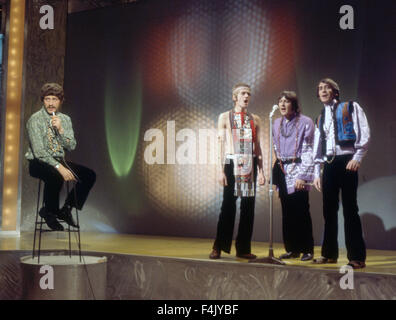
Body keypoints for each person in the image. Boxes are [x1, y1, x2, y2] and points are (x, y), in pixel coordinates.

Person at [312, 78, 370, 269]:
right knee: (328, 210)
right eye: (320, 88)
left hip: (347, 161)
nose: (322, 91)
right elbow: (317, 146)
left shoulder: (350, 107)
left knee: (350, 209)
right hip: (329, 163)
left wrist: (358, 157)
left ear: (335, 91)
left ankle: (357, 257)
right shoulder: (320, 116)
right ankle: (329, 254)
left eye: (326, 88)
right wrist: (316, 172)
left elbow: (363, 131)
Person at [25, 83, 96, 231]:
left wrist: (61, 130)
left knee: (89, 175)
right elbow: (39, 152)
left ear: (60, 101)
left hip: (59, 160)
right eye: (47, 99)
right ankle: (49, 211)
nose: (51, 103)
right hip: (38, 162)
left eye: (54, 99)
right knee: (56, 175)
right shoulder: (35, 120)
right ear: (43, 100)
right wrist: (60, 168)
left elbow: (71, 146)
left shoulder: (65, 119)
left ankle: (67, 209)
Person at [209, 83, 265, 260]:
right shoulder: (224, 117)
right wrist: (220, 170)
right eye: (242, 93)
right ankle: (219, 246)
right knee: (228, 206)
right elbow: (220, 144)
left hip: (249, 164)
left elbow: (258, 147)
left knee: (248, 208)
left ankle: (243, 248)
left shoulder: (255, 119)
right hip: (231, 162)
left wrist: (261, 171)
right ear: (235, 97)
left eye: (248, 93)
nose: (246, 96)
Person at [272, 91, 315, 261]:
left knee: (301, 210)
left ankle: (307, 249)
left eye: (287, 101)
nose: (282, 104)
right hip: (282, 169)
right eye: (280, 101)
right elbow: (276, 150)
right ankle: (292, 249)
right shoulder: (276, 123)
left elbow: (309, 150)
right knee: (287, 211)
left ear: (294, 105)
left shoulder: (306, 122)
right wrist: (276, 180)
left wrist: (303, 176)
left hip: (299, 169)